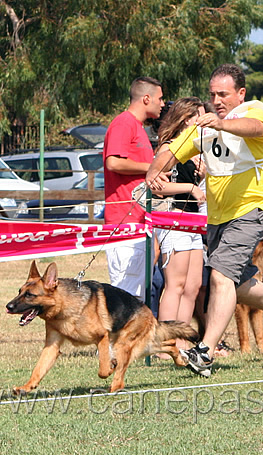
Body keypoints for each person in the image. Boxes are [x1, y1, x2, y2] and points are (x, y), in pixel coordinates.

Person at [145, 63, 263, 377]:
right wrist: (152, 175)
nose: (216, 100)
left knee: (219, 278)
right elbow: (171, 151)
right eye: (212, 94)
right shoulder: (203, 126)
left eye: (224, 94)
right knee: (235, 283)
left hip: (252, 207)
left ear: (240, 94)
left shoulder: (258, 111)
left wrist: (222, 123)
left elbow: (255, 129)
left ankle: (205, 351)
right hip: (217, 216)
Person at [149, 97, 208, 354]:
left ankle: (181, 343)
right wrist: (190, 187)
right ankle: (162, 344)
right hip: (173, 219)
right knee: (175, 285)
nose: (205, 122)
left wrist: (202, 174)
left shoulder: (193, 149)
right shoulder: (170, 148)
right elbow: (156, 186)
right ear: (187, 120)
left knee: (192, 285)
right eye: (200, 117)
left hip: (193, 221)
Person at [103, 76, 166, 300]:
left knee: (138, 299)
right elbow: (114, 162)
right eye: (160, 98)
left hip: (141, 223)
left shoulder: (138, 127)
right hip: (125, 223)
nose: (163, 103)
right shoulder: (124, 123)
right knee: (126, 299)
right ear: (146, 98)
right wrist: (152, 167)